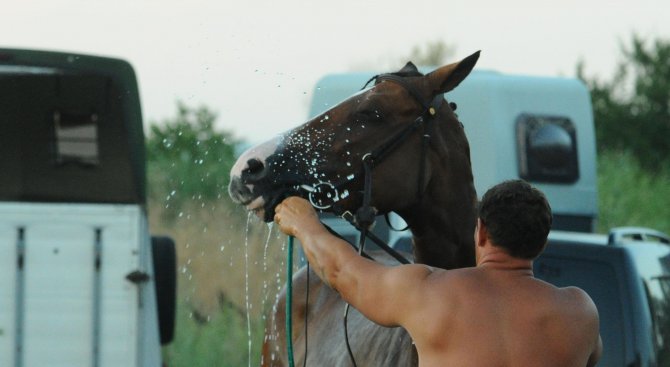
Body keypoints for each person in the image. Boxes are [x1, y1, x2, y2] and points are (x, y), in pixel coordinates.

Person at [273, 179, 602, 367]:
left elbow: (343, 271)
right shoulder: (580, 314)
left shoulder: (429, 293)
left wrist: (304, 224)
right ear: (541, 243)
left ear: (482, 232)